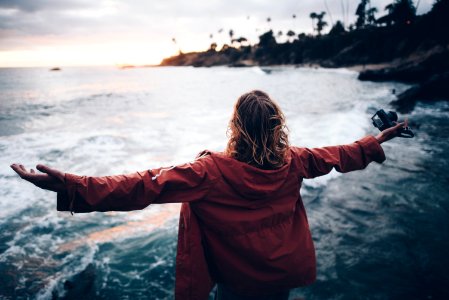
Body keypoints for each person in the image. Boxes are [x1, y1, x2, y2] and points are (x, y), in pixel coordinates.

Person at [11, 90, 407, 300]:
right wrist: (376, 140)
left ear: (235, 127)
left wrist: (71, 185)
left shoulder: (209, 172)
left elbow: (141, 185)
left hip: (239, 281)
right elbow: (339, 154)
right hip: (283, 271)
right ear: (276, 128)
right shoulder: (295, 161)